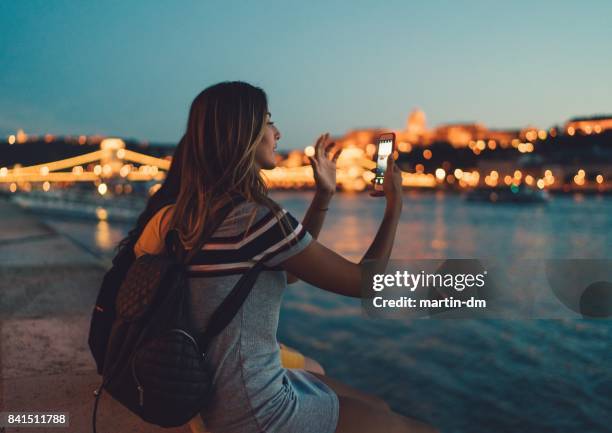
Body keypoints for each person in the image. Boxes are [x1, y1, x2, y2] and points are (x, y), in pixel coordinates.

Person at [131, 81, 438, 433]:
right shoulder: (254, 219)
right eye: (268, 122)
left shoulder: (172, 219)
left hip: (202, 397)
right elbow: (365, 283)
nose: (277, 133)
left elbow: (288, 273)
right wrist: (393, 208)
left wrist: (324, 194)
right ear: (243, 134)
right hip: (255, 410)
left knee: (377, 406)